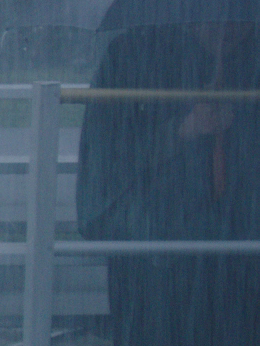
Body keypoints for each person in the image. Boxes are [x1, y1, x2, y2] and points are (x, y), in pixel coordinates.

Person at [77, 22, 260, 345]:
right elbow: (110, 156)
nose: (227, 29)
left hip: (240, 255)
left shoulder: (251, 59)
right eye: (214, 21)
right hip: (158, 254)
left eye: (239, 21)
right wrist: (182, 129)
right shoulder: (133, 55)